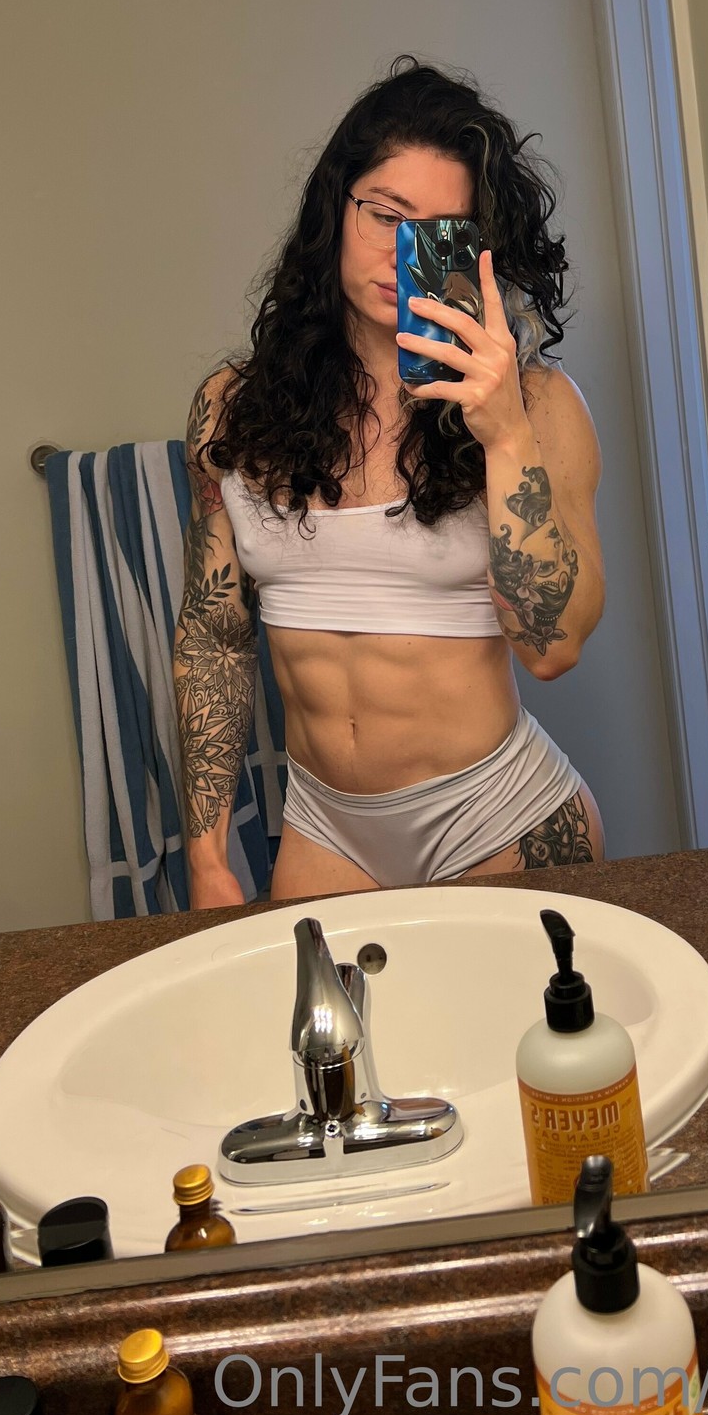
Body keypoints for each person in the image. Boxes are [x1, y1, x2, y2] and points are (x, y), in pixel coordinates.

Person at [175, 57, 607, 904]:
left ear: (477, 253)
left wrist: (505, 433)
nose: (401, 253)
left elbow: (553, 649)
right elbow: (213, 634)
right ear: (335, 211)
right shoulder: (232, 408)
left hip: (500, 822)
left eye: (440, 234)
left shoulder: (541, 407)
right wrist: (207, 858)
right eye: (385, 214)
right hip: (324, 828)